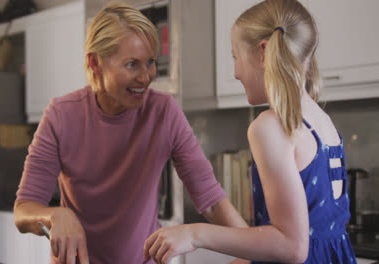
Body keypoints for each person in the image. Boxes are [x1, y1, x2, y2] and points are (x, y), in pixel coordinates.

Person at [13, 2, 247, 264]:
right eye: (132, 64)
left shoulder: (164, 113)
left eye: (150, 62)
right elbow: (24, 211)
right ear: (95, 63)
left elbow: (211, 201)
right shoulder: (60, 116)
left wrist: (253, 253)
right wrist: (56, 215)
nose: (146, 76)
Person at [144, 0, 357, 263]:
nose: (235, 73)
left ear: (263, 52)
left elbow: (292, 246)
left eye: (235, 57)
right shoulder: (322, 121)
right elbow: (310, 238)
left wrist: (194, 233)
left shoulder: (269, 126)